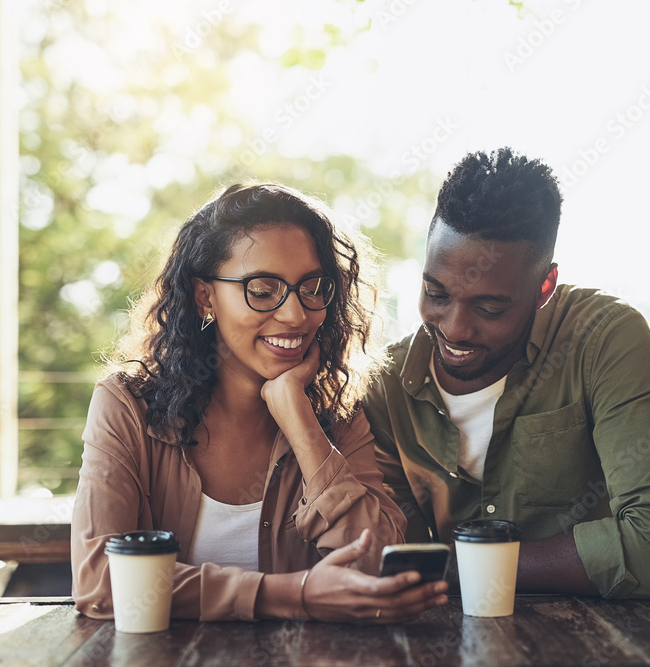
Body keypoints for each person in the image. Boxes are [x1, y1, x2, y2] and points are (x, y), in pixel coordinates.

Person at [71, 183, 449, 622]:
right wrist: (294, 595)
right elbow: (101, 583)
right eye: (262, 289)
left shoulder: (336, 415)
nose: (295, 315)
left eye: (312, 286)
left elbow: (379, 571)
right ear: (204, 296)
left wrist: (300, 421)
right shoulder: (126, 408)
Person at [364, 149, 650, 599]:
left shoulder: (602, 339)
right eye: (436, 293)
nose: (455, 327)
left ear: (544, 287)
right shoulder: (387, 388)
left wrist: (468, 568)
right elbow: (399, 565)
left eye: (490, 307)